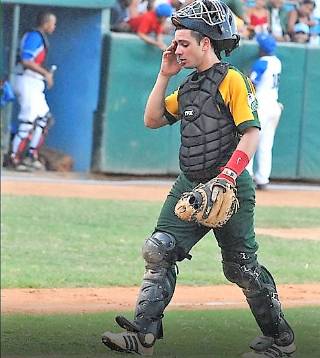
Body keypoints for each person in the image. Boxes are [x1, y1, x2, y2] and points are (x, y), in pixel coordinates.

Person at [101, 1, 295, 357]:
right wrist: (164, 75)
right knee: (158, 249)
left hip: (229, 187)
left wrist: (227, 175)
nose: (177, 50)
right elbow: (153, 118)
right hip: (190, 185)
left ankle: (281, 339)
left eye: (184, 43)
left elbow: (251, 134)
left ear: (207, 43)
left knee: (240, 268)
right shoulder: (189, 87)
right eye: (175, 43)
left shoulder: (232, 79)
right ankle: (142, 337)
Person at [10, 10, 57, 171]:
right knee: (28, 121)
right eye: (53, 23)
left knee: (44, 119)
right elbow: (26, 60)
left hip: (33, 82)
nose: (54, 27)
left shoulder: (39, 37)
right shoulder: (34, 36)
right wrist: (45, 74)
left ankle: (31, 155)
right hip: (26, 80)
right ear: (46, 23)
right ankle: (14, 157)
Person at [246, 34, 282, 190]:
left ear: (261, 49)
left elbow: (252, 83)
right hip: (274, 105)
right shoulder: (277, 62)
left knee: (250, 140)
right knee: (266, 144)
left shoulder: (262, 63)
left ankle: (247, 177)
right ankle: (263, 178)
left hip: (261, 106)